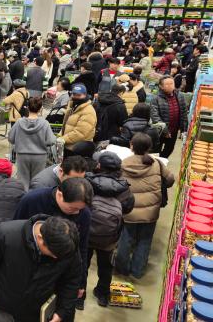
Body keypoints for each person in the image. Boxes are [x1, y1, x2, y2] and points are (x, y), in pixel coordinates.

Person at [0, 215, 81, 321]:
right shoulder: (4, 235)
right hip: (2, 312)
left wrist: (61, 312)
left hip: (37, 314)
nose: (56, 257)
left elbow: (71, 281)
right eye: (53, 254)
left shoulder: (67, 247)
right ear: (40, 238)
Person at [14, 177, 94, 310]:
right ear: (60, 194)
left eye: (80, 209)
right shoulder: (32, 200)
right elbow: (16, 232)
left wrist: (81, 282)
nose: (77, 213)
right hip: (30, 269)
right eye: (72, 208)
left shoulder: (84, 213)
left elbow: (83, 248)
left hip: (62, 272)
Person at [115, 133, 175, 279]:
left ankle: (122, 269)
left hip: (129, 210)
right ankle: (137, 270)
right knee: (145, 240)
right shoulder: (156, 163)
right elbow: (170, 180)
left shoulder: (123, 164)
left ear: (131, 145)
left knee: (125, 238)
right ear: (149, 147)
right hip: (150, 212)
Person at [85, 152, 134, 307]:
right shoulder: (124, 187)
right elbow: (127, 208)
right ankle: (103, 295)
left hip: (86, 232)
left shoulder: (88, 181)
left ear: (99, 165)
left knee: (81, 264)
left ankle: (79, 297)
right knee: (106, 267)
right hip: (109, 236)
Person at [9, 97, 56, 188]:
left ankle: (23, 199)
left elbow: (11, 138)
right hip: (40, 156)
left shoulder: (19, 122)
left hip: (22, 155)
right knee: (37, 181)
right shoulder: (44, 123)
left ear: (27, 107)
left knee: (22, 181)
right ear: (40, 108)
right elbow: (51, 140)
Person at [151, 76, 188, 158]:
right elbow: (155, 116)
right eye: (167, 84)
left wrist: (184, 130)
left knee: (169, 149)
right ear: (161, 86)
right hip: (160, 131)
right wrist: (165, 131)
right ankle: (156, 163)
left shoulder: (180, 95)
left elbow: (184, 113)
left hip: (174, 130)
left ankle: (162, 161)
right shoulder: (156, 98)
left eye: (172, 83)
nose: (170, 85)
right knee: (156, 150)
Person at [60, 83, 97, 155]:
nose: (76, 97)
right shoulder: (73, 106)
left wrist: (63, 139)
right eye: (74, 94)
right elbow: (66, 124)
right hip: (68, 145)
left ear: (85, 95)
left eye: (79, 95)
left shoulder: (88, 111)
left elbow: (80, 133)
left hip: (78, 149)